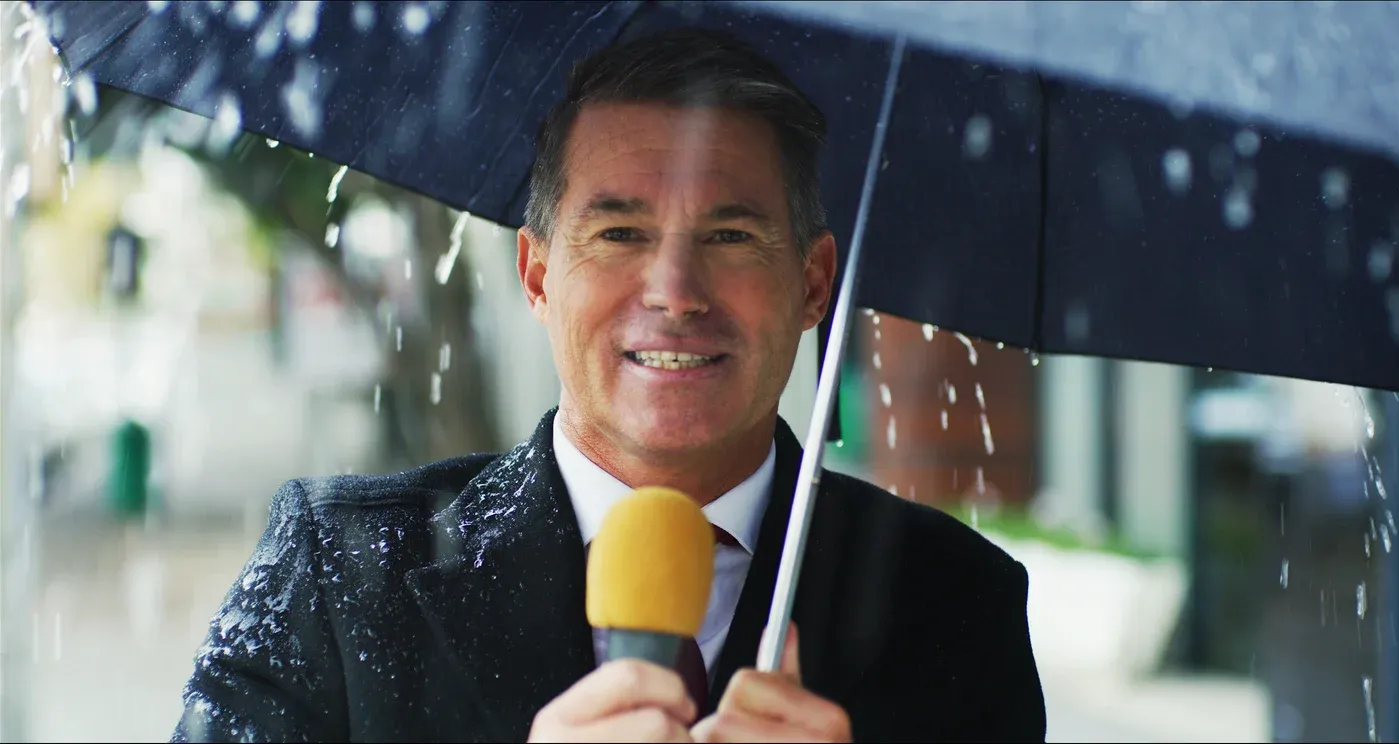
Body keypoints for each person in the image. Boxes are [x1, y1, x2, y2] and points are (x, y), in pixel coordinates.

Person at [173, 27, 1045, 743]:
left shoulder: (955, 605)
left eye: (731, 236)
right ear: (539, 274)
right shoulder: (340, 575)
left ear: (813, 283)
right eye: (621, 232)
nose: (673, 290)